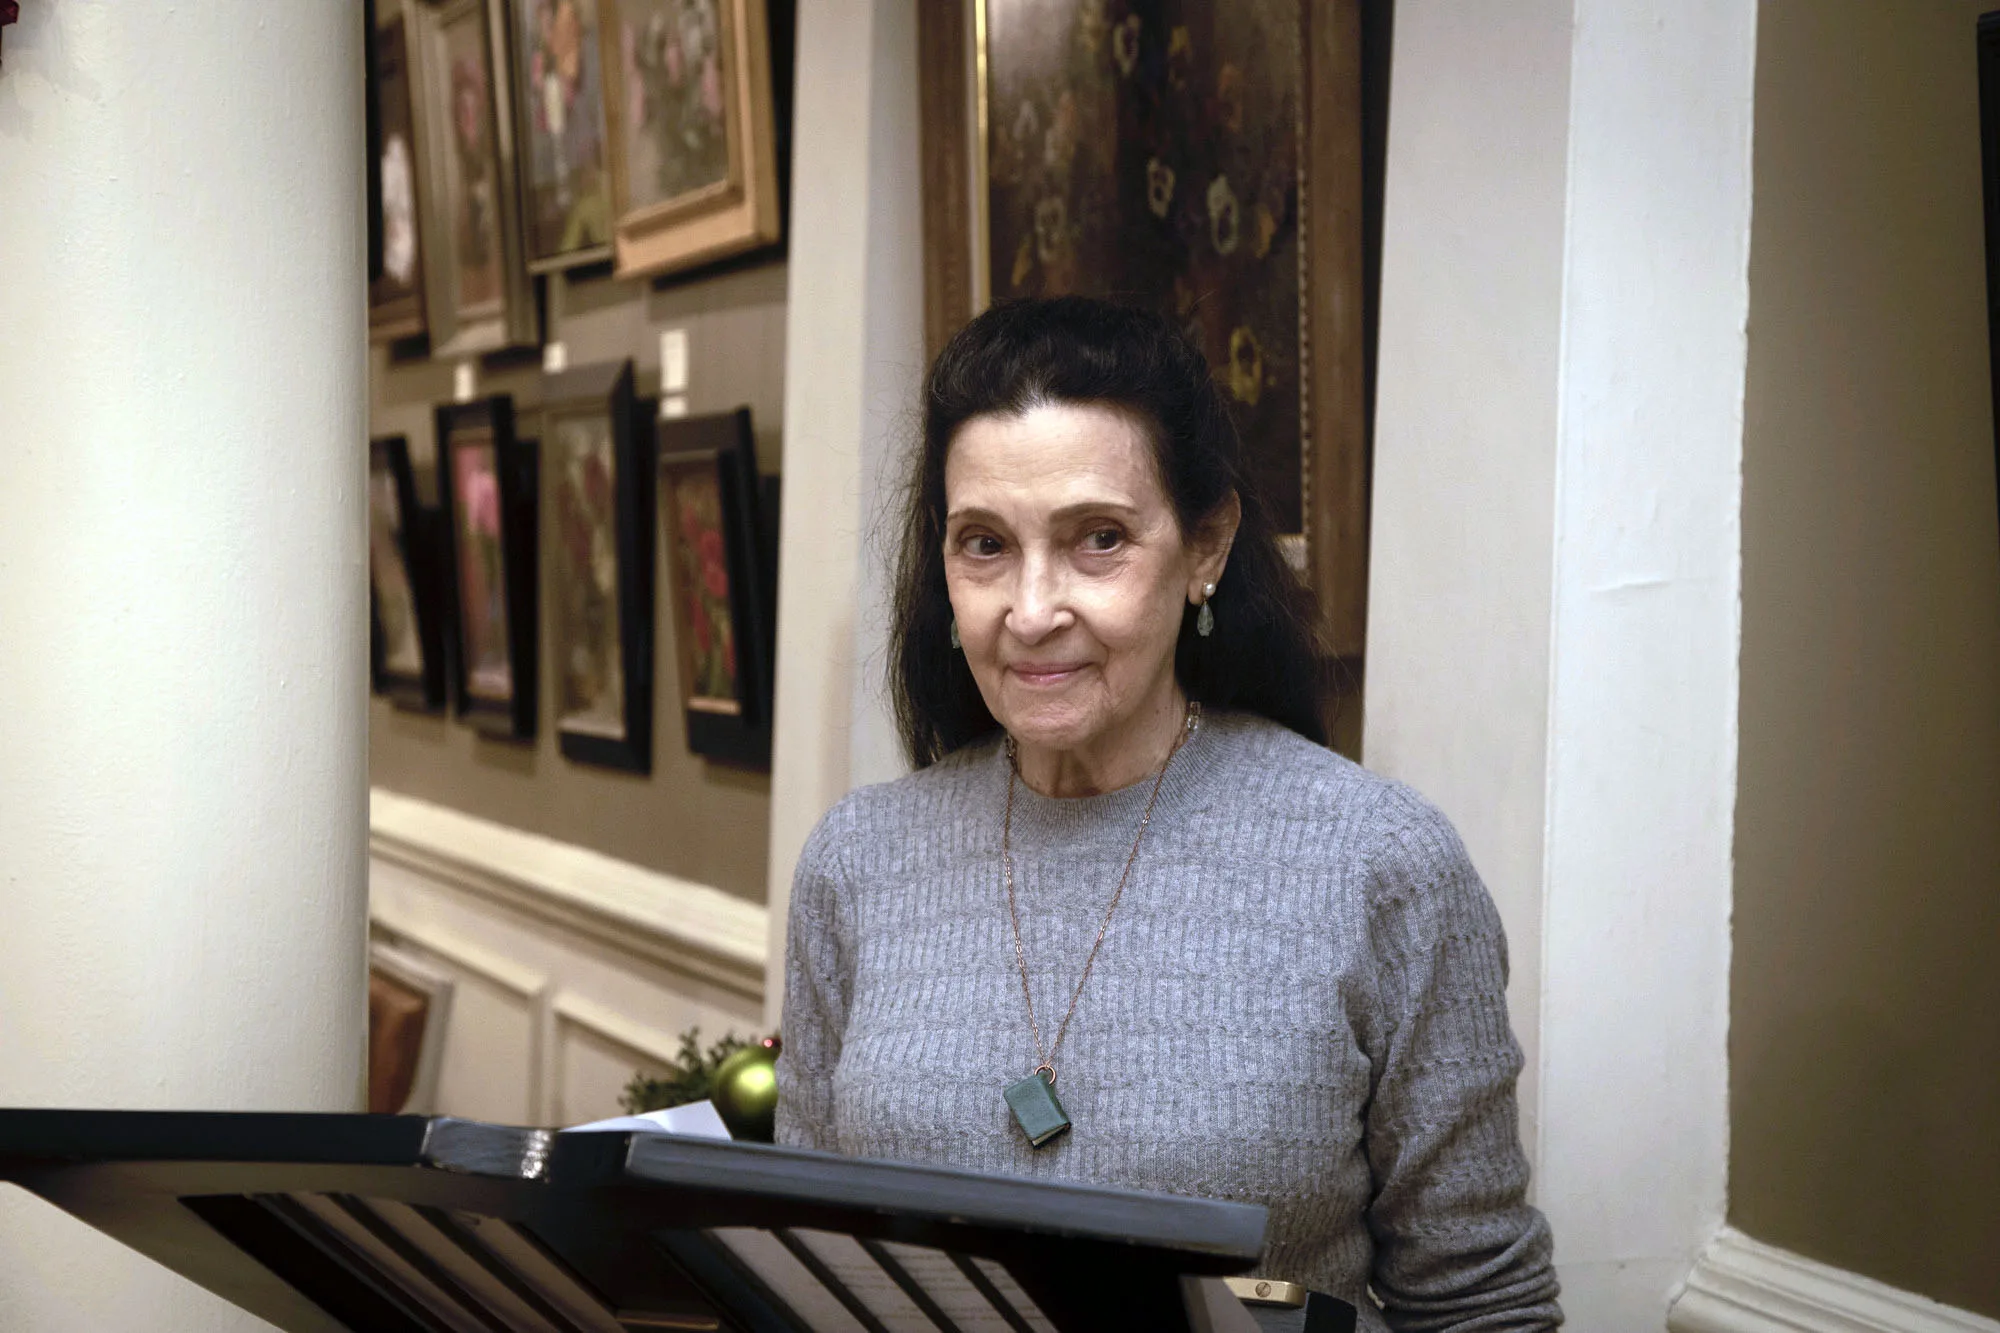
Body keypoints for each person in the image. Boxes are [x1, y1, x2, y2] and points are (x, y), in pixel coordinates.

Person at [775, 296, 1561, 1329]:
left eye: (1098, 539)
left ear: (1206, 547)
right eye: (984, 545)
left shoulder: (1380, 865)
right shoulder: (857, 860)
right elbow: (810, 1262)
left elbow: (1481, 1306)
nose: (1031, 610)